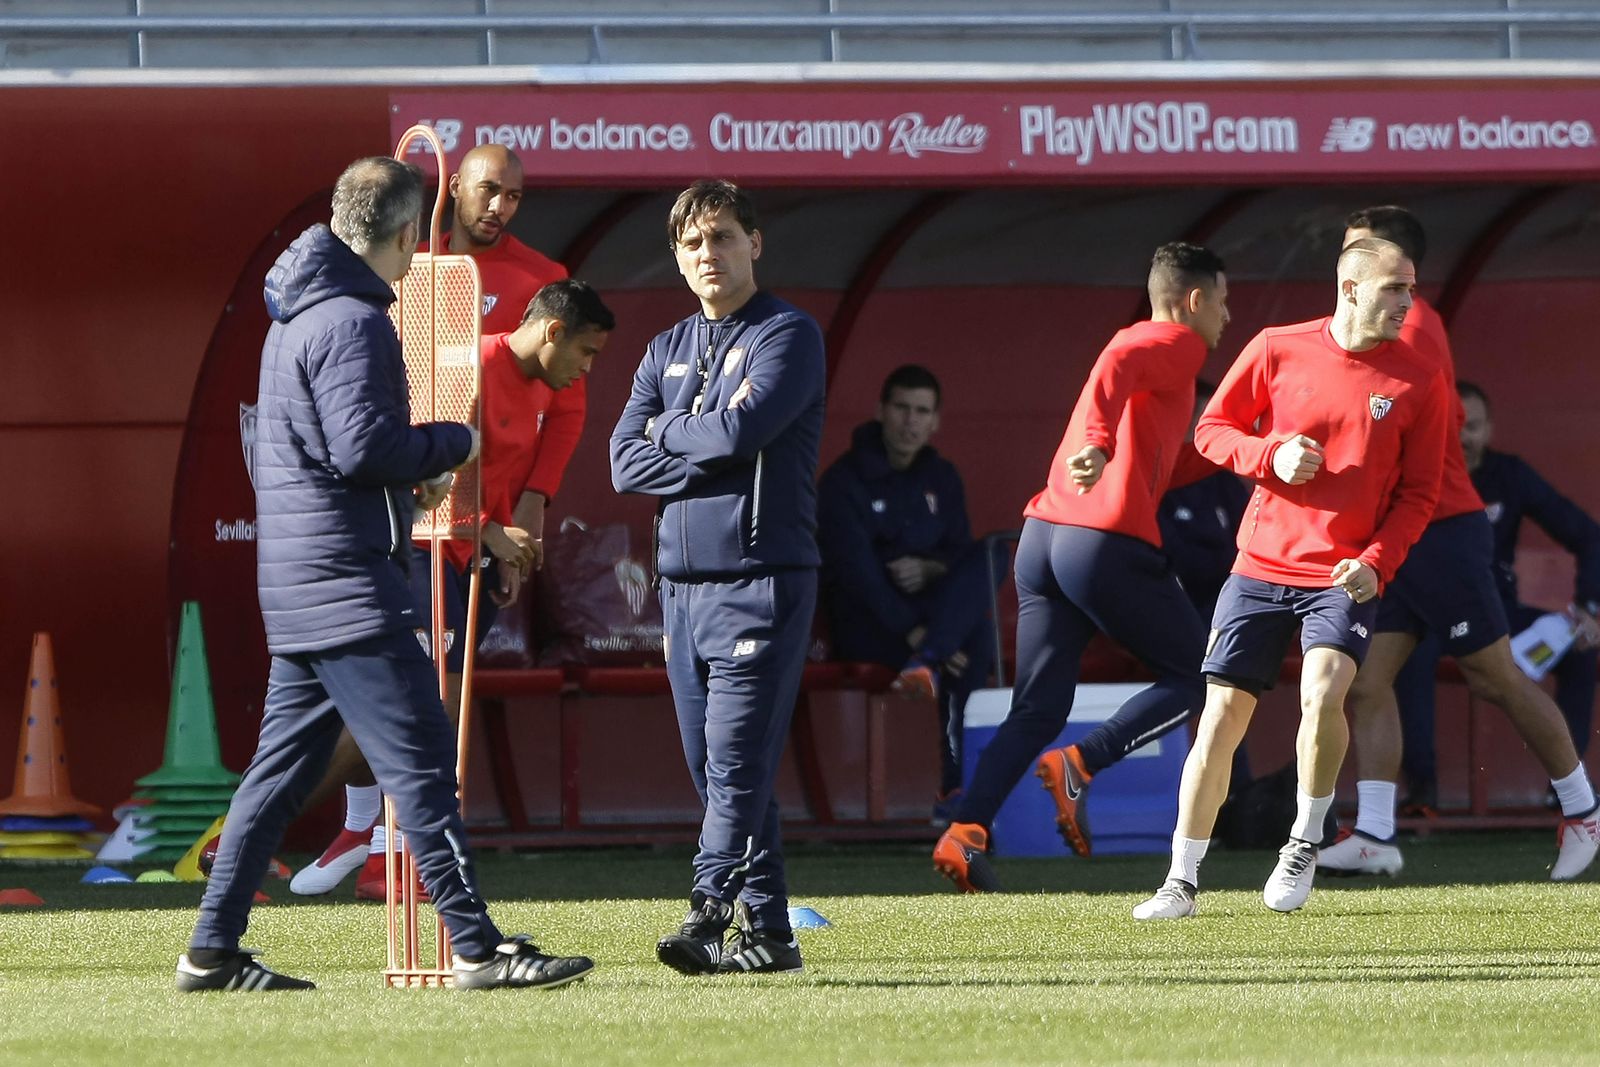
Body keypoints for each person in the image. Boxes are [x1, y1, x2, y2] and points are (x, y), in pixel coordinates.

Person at [178, 156, 593, 991]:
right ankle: (477, 947)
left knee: (278, 774)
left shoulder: (296, 311)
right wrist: (451, 444)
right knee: (421, 756)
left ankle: (210, 951)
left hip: (301, 580)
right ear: (408, 234)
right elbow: (364, 448)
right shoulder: (354, 319)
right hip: (348, 582)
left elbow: (341, 449)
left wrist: (411, 470)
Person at [291, 144, 579, 899]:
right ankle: (354, 828)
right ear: (451, 193)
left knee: (429, 691)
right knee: (402, 688)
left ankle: (380, 837)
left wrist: (525, 511)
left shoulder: (540, 280)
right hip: (407, 512)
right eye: (490, 190)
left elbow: (564, 406)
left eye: (516, 195)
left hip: (477, 526)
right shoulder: (395, 270)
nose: (501, 207)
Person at [1133, 236, 1448, 921]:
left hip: (1343, 571)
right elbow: (1211, 430)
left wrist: (1376, 561)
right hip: (1259, 564)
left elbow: (1421, 495)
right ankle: (1180, 879)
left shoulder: (1422, 377)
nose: (1407, 301)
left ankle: (1304, 840)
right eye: (1395, 288)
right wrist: (1269, 454)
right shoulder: (1278, 345)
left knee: (1326, 689)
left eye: (1411, 288)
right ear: (1351, 289)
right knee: (1219, 718)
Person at [930, 242, 1231, 892]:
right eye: (1224, 301)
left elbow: (1162, 470)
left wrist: (1239, 454)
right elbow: (1118, 355)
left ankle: (965, 829)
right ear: (1195, 299)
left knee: (1036, 707)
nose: (1227, 318)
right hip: (1102, 543)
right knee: (1202, 676)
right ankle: (1082, 762)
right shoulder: (1176, 341)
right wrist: (1095, 441)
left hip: (1043, 537)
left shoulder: (1166, 376)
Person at [1320, 207, 1600, 882]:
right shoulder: (1364, 325)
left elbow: (1379, 417)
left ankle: (1583, 811)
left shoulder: (1412, 324)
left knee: (1495, 675)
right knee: (1367, 679)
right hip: (1397, 539)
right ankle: (1378, 832)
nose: (1348, 269)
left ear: (1398, 262)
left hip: (1441, 529)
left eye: (1362, 252)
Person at [610, 179, 825, 975]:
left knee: (734, 760)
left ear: (754, 243)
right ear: (678, 255)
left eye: (724, 237)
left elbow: (742, 430)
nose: (710, 254)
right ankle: (770, 934)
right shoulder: (664, 347)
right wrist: (691, 435)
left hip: (759, 579)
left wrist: (673, 431)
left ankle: (707, 914)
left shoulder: (788, 335)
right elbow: (621, 459)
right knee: (719, 771)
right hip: (681, 590)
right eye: (694, 243)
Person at [1392, 381, 1600, 811]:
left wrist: (1589, 607)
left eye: (1474, 426)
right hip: (1425, 610)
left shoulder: (1509, 474)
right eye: (1455, 427)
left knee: (1581, 651)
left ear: (1488, 430)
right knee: (1408, 654)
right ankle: (1423, 791)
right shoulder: (1413, 471)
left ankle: (1565, 792)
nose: (1465, 437)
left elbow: (1588, 535)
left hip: (1493, 609)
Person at [817, 364, 993, 815]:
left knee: (994, 557)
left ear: (935, 421)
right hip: (870, 625)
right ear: (880, 411)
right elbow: (855, 575)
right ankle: (955, 788)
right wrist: (914, 632)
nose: (910, 422)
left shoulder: (942, 475)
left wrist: (931, 568)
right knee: (971, 645)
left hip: (932, 627)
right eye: (901, 408)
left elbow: (960, 554)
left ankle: (955, 792)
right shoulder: (843, 480)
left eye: (921, 411)